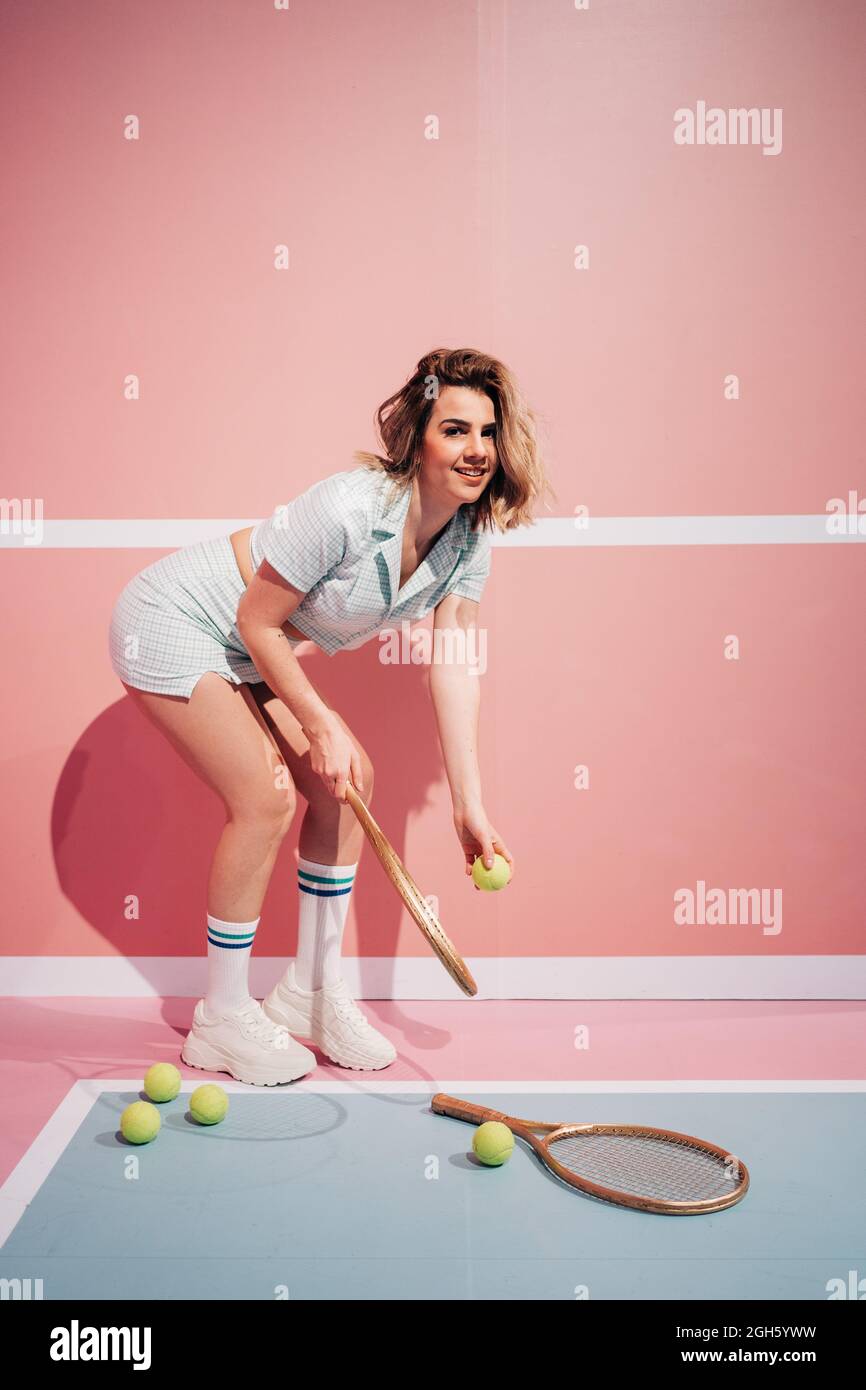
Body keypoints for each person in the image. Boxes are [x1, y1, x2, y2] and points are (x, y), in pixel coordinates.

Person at [108, 347, 551, 1085]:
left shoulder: (470, 539)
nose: (476, 450)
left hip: (249, 644)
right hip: (176, 618)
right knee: (266, 796)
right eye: (455, 430)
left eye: (487, 433)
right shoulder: (352, 504)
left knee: (350, 784)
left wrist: (469, 807)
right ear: (419, 438)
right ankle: (220, 1017)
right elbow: (256, 620)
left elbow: (455, 666)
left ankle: (310, 993)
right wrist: (319, 721)